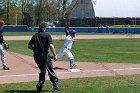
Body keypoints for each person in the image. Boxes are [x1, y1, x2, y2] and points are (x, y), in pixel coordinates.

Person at [28, 22, 60, 92]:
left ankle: (39, 86)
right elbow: (51, 46)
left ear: (39, 28)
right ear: (45, 28)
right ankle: (55, 86)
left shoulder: (35, 36)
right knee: (50, 69)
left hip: (36, 55)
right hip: (44, 55)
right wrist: (55, 55)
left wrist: (35, 49)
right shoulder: (47, 35)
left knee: (42, 71)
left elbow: (29, 46)